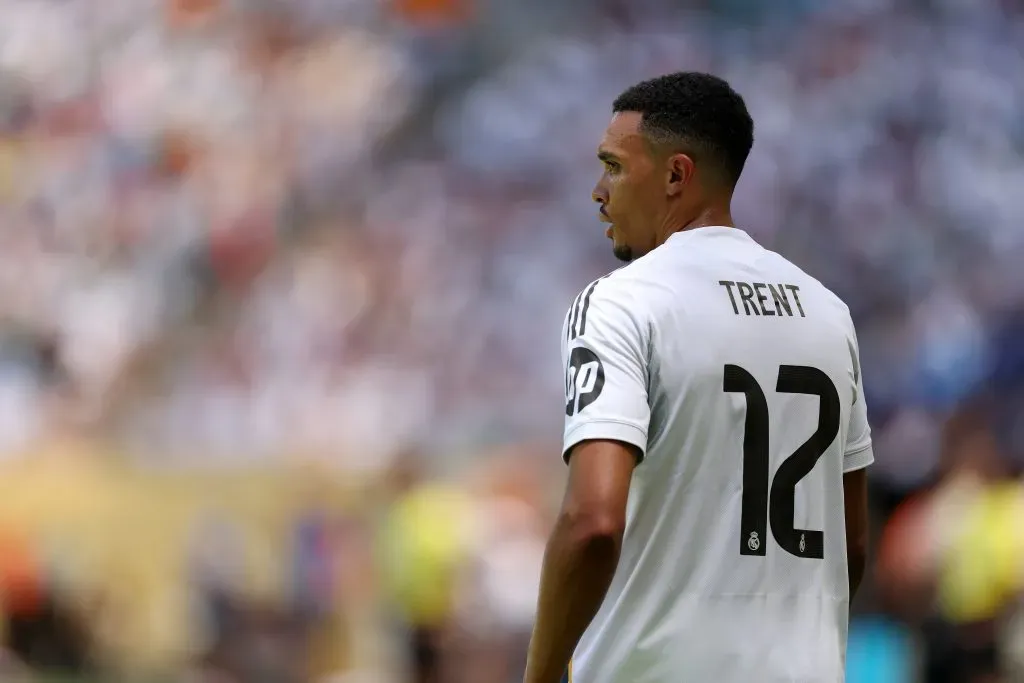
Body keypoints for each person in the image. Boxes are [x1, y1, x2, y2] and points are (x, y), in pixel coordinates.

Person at [523, 72, 872, 683]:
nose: (598, 192)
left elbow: (593, 524)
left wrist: (541, 675)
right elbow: (852, 545)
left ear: (675, 176)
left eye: (613, 167)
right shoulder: (828, 312)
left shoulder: (622, 302)